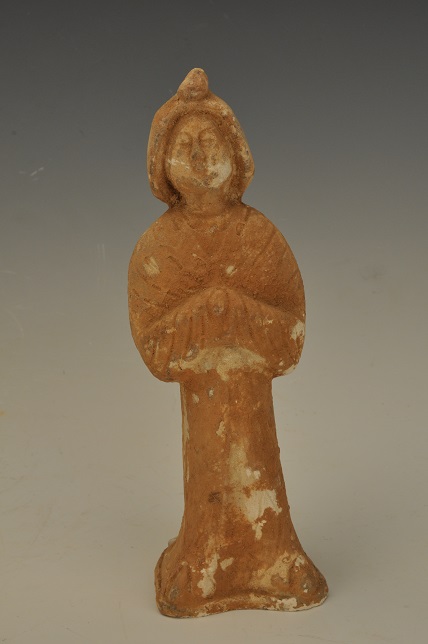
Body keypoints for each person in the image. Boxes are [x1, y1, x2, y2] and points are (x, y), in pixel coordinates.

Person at [128, 68, 328, 617]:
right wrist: (202, 314)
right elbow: (154, 347)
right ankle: (203, 558)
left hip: (251, 395)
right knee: (211, 483)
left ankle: (275, 558)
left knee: (257, 469)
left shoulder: (258, 236)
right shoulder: (159, 246)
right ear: (162, 165)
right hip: (202, 400)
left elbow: (292, 334)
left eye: (210, 143)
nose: (198, 156)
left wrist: (236, 313)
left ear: (237, 156)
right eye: (184, 146)